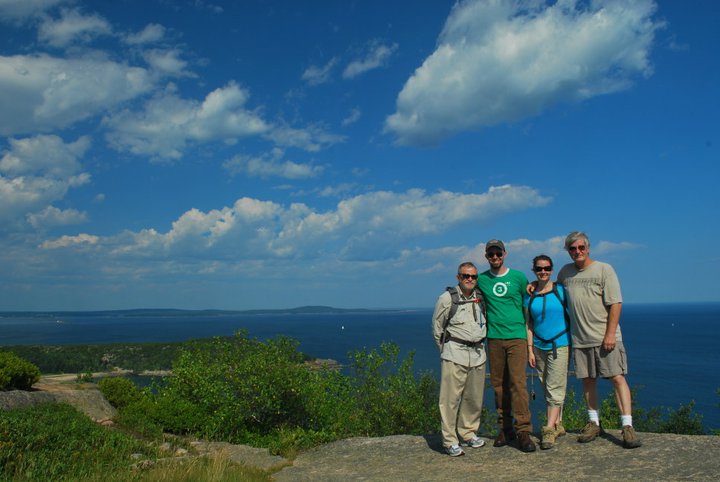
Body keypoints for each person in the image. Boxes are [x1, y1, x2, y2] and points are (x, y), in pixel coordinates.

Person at [557, 231, 641, 449]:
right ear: (568, 251)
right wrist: (532, 286)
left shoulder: (604, 269)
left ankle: (627, 427)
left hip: (605, 337)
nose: (577, 252)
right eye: (572, 249)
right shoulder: (565, 272)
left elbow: (615, 303)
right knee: (587, 380)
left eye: (581, 248)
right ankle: (594, 423)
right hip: (580, 339)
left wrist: (610, 334)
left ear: (588, 248)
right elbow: (553, 291)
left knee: (617, 378)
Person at [476, 240, 536, 452]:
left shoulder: (518, 277)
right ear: (486, 256)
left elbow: (532, 298)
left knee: (518, 384)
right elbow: (467, 289)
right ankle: (505, 428)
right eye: (491, 254)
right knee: (499, 386)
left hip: (517, 337)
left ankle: (523, 432)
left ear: (504, 254)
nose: (495, 257)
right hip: (494, 337)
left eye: (498, 253)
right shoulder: (481, 279)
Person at [432, 261, 488, 457]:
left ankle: (468, 432)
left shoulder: (480, 297)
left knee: (474, 398)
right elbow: (437, 328)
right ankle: (449, 440)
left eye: (473, 276)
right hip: (455, 353)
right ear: (458, 277)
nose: (469, 279)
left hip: (478, 354)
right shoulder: (447, 298)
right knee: (449, 400)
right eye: (465, 276)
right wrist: (446, 350)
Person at [524, 255, 570, 450]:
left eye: (547, 268)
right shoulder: (530, 294)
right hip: (538, 346)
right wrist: (530, 350)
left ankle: (549, 429)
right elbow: (529, 323)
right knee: (545, 386)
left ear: (552, 269)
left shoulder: (561, 290)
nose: (543, 272)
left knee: (555, 386)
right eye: (539, 269)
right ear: (534, 270)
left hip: (559, 344)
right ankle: (558, 424)